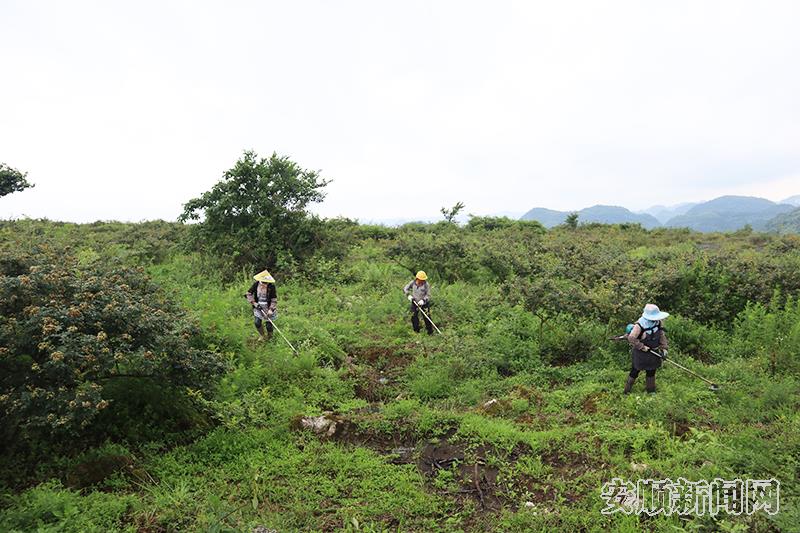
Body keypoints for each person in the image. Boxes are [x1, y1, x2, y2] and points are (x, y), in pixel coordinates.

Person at [624, 303, 669, 394]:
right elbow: (631, 338)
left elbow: (661, 335)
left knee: (651, 371)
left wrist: (664, 348)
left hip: (654, 351)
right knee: (635, 371)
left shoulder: (658, 322)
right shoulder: (639, 325)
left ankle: (651, 391)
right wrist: (642, 346)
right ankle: (627, 391)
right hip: (641, 353)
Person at [246, 270, 278, 341]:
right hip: (258, 307)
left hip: (268, 307)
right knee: (257, 322)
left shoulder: (271, 287)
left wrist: (271, 310)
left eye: (266, 283)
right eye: (263, 282)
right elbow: (248, 294)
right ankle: (262, 335)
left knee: (268, 326)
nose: (265, 284)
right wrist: (254, 303)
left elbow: (273, 299)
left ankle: (270, 338)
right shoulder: (256, 284)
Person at [403, 271, 433, 335]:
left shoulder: (426, 284)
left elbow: (428, 295)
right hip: (414, 302)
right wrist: (408, 295)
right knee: (414, 317)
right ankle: (416, 331)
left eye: (423, 279)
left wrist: (423, 300)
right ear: (417, 278)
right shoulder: (412, 283)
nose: (422, 281)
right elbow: (405, 288)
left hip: (424, 303)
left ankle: (430, 332)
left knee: (427, 317)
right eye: (421, 279)